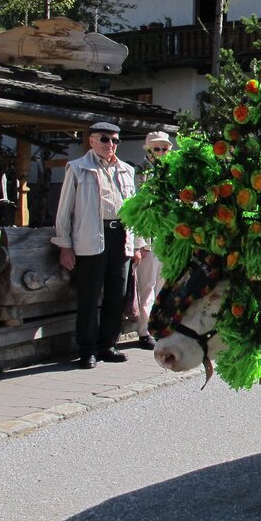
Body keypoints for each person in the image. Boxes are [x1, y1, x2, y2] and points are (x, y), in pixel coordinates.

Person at [52, 122, 143, 368]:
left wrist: (138, 245)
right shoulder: (78, 168)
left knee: (117, 294)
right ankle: (87, 350)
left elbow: (135, 210)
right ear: (91, 140)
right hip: (91, 236)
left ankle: (108, 345)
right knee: (89, 296)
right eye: (104, 139)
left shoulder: (126, 170)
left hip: (121, 236)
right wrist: (65, 245)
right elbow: (64, 211)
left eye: (115, 140)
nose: (110, 144)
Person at [130, 131, 174, 350]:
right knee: (147, 285)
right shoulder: (138, 171)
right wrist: (139, 243)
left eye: (165, 149)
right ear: (148, 149)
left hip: (168, 236)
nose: (161, 152)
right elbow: (136, 207)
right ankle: (144, 330)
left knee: (165, 285)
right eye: (157, 148)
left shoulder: (171, 171)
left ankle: (161, 327)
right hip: (148, 235)